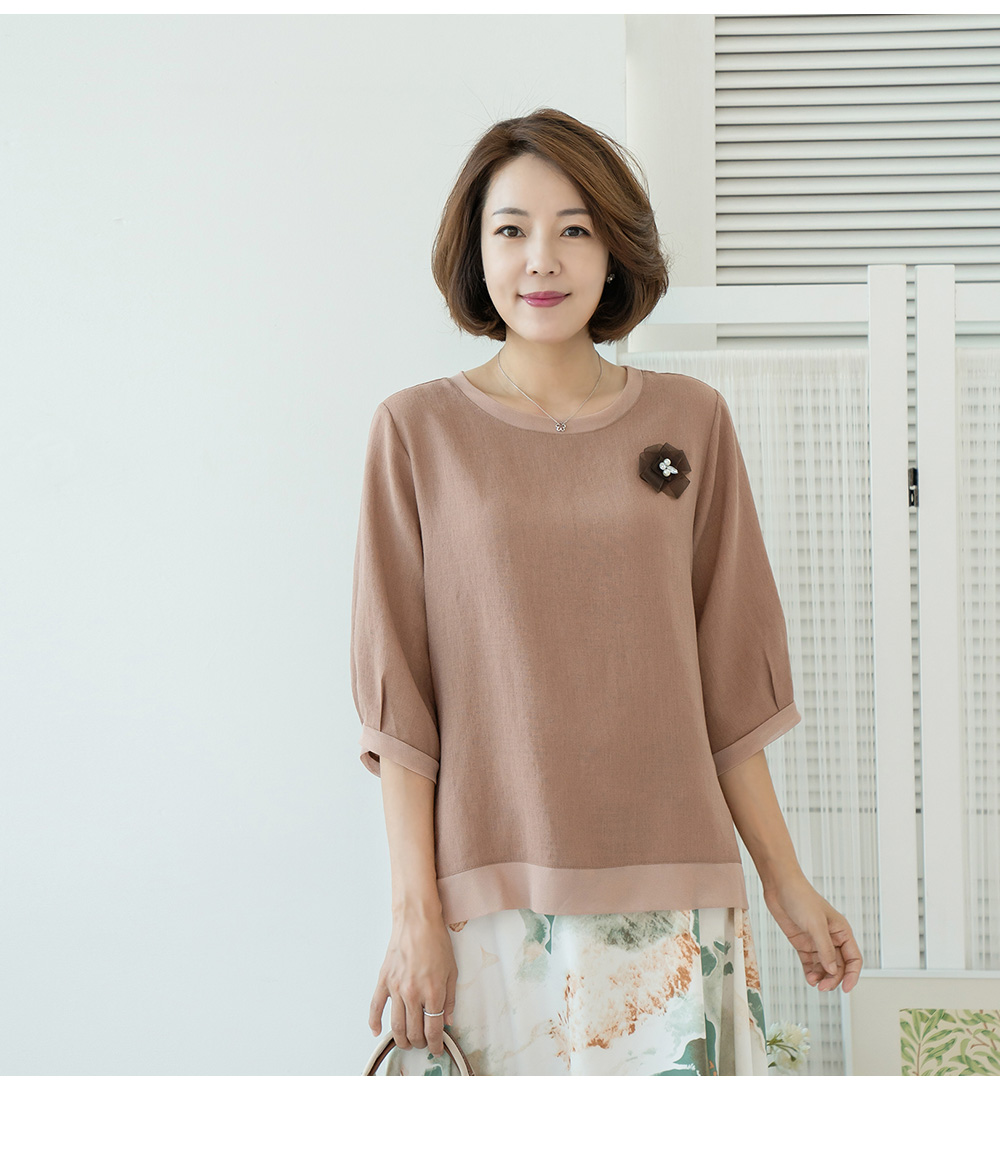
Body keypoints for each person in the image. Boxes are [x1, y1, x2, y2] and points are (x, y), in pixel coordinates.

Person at [350, 107, 863, 1076]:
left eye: (574, 229)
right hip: (490, 904)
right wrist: (414, 913)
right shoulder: (416, 433)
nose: (541, 259)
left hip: (674, 897)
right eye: (511, 230)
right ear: (475, 252)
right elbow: (400, 709)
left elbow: (728, 688)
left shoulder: (692, 420)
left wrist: (786, 881)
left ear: (614, 250)